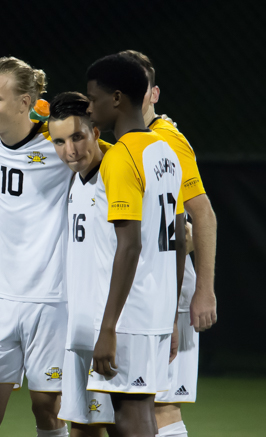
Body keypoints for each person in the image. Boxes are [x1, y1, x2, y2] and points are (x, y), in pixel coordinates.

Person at [83, 54, 187, 437]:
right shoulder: (164, 150)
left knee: (129, 414)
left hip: (131, 312)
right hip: (155, 306)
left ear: (117, 98)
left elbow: (130, 245)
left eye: (93, 99)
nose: (88, 107)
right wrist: (172, 311)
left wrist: (108, 327)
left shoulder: (121, 156)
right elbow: (179, 236)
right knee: (136, 407)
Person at [0, 57, 70, 437]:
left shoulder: (60, 146)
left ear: (25, 103)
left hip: (50, 299)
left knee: (48, 411)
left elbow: (113, 154)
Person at [118, 50, 218, 437]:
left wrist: (204, 291)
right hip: (135, 285)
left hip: (168, 287)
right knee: (127, 402)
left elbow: (202, 214)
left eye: (139, 87)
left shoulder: (167, 140)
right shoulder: (121, 140)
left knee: (161, 403)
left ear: (153, 93)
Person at [47, 92, 114, 437]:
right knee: (82, 426)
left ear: (96, 133)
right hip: (82, 326)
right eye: (59, 141)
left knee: (128, 425)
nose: (69, 150)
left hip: (112, 328)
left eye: (77, 137)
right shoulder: (77, 178)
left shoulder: (118, 172)